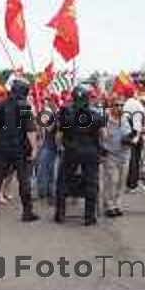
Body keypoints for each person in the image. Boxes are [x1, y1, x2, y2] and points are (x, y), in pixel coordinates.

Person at [0, 78, 39, 222]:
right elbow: (30, 130)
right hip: (19, 148)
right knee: (23, 180)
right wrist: (33, 149)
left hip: (2, 147)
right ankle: (27, 211)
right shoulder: (24, 106)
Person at [55, 84, 106, 226]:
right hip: (90, 152)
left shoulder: (66, 113)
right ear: (87, 98)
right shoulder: (96, 115)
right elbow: (104, 135)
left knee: (63, 181)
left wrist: (60, 148)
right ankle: (89, 217)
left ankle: (60, 214)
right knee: (91, 183)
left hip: (71, 151)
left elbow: (59, 135)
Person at [101, 99, 131, 217]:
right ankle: (109, 205)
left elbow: (132, 134)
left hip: (124, 154)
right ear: (111, 106)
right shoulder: (106, 119)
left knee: (121, 181)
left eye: (121, 105)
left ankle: (117, 204)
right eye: (117, 105)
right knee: (111, 180)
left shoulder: (126, 119)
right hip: (110, 154)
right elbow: (101, 136)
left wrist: (131, 139)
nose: (119, 107)